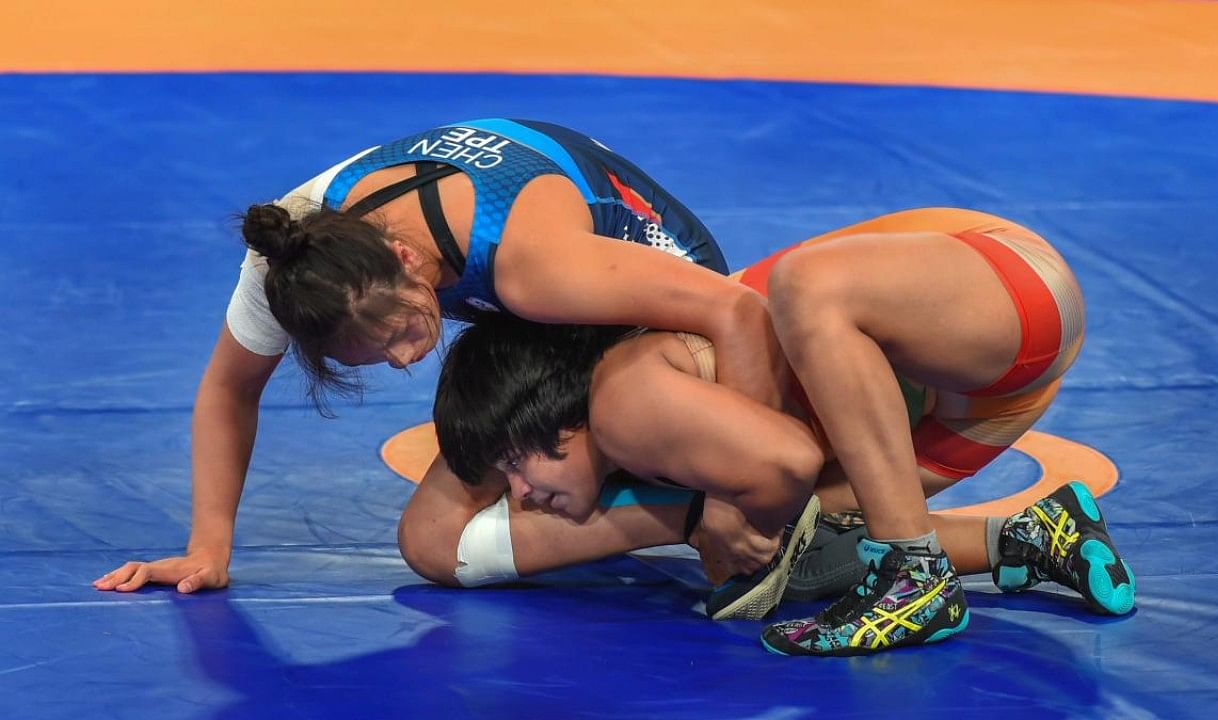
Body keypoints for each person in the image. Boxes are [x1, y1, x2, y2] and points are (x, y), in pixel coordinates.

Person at [93, 119, 780, 595]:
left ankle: (786, 500)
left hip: (661, 298)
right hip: (536, 321)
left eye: (401, 333)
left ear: (405, 258)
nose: (401, 362)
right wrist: (209, 547)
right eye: (377, 356)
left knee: (629, 419)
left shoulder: (534, 268)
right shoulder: (295, 262)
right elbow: (227, 392)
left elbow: (736, 310)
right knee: (433, 543)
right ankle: (677, 516)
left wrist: (739, 496)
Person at [430, 207, 1136, 656]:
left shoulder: (623, 396)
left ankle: (916, 576)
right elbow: (440, 547)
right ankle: (1033, 535)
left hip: (1003, 282)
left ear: (559, 415)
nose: (520, 492)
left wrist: (725, 514)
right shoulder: (641, 448)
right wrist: (724, 521)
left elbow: (788, 456)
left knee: (805, 288)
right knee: (800, 536)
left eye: (515, 465)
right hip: (981, 395)